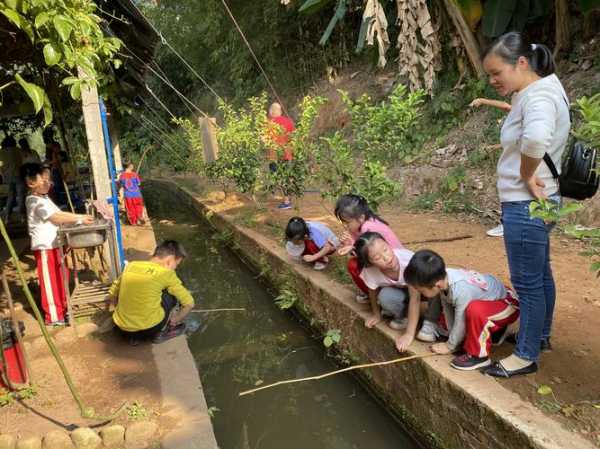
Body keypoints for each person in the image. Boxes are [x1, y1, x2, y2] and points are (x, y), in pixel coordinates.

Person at [479, 32, 570, 377]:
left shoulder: (538, 97)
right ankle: (540, 335)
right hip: (542, 202)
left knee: (527, 282)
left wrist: (526, 174)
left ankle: (526, 354)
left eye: (496, 73)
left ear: (520, 63)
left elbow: (535, 138)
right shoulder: (537, 91)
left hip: (526, 203)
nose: (492, 81)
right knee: (540, 275)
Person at [404, 250, 519, 371]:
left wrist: (450, 346)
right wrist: (452, 338)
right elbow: (448, 309)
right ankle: (497, 333)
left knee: (474, 310)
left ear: (437, 285)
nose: (420, 293)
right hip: (492, 302)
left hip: (508, 304)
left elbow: (461, 321)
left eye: (421, 290)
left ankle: (478, 356)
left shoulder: (461, 290)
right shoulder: (444, 280)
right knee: (468, 314)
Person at [22, 163, 94, 325]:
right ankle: (54, 317)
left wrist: (78, 219)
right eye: (44, 181)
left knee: (62, 277)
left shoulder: (44, 198)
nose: (48, 184)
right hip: (45, 247)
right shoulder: (33, 201)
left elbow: (59, 214)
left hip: (56, 244)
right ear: (31, 183)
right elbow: (55, 218)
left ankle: (62, 309)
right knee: (50, 282)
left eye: (49, 181)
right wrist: (80, 218)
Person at [354, 232, 442, 350]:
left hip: (425, 292)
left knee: (433, 295)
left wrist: (409, 334)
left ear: (389, 245)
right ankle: (406, 317)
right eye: (377, 258)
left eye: (385, 250)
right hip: (405, 294)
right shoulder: (370, 271)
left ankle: (430, 320)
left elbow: (414, 299)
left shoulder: (408, 264)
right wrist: (376, 314)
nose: (386, 258)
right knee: (385, 296)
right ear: (370, 263)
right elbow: (372, 290)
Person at [109, 240, 195, 345]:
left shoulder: (131, 266)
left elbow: (113, 291)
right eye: (176, 264)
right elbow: (189, 303)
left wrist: (113, 308)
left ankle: (133, 338)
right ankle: (161, 332)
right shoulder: (167, 274)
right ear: (169, 260)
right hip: (148, 331)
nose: (175, 268)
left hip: (121, 329)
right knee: (170, 295)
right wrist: (175, 319)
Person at [334, 194, 404, 304]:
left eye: (347, 223)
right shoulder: (365, 222)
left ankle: (372, 294)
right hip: (387, 262)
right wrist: (350, 244)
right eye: (344, 223)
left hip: (392, 265)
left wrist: (351, 246)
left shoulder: (369, 227)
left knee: (354, 265)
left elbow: (367, 254)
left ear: (361, 217)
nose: (346, 226)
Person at [469, 98, 512, 238]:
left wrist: (482, 101)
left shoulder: (524, 112)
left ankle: (507, 224)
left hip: (516, 164)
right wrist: (495, 147)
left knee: (509, 191)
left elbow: (505, 106)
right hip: (519, 162)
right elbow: (515, 142)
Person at [266, 102, 295, 210]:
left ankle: (287, 201)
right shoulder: (288, 121)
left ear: (271, 112)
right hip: (287, 154)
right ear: (280, 111)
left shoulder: (269, 123)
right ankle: (288, 195)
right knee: (286, 176)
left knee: (279, 178)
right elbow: (294, 137)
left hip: (275, 156)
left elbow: (265, 140)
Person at [1, 136, 24, 223]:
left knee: (11, 197)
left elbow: (1, 166)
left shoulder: (1, 152)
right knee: (21, 196)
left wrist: (4, 174)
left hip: (7, 177)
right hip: (18, 175)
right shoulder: (17, 150)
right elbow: (21, 162)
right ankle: (21, 216)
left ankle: (7, 217)